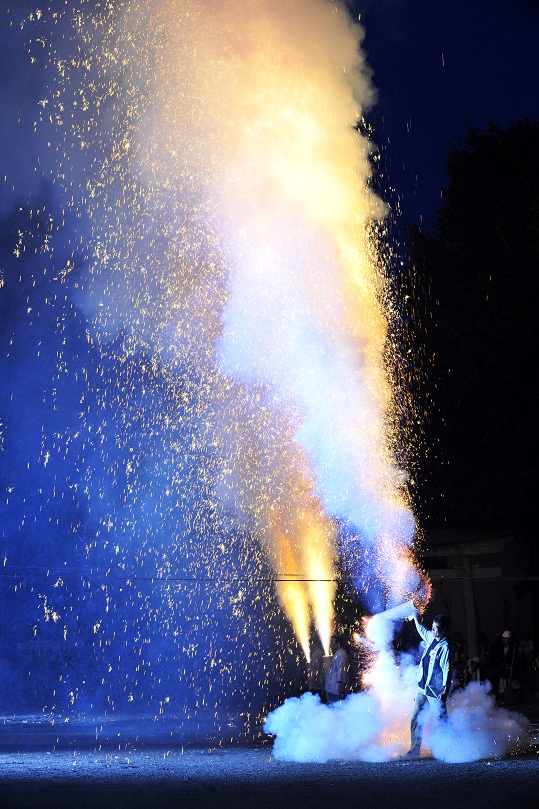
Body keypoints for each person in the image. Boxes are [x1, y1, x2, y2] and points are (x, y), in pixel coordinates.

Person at [402, 612, 452, 759]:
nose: (434, 631)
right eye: (433, 628)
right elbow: (422, 630)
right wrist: (415, 619)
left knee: (442, 718)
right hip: (422, 687)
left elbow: (447, 668)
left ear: (444, 630)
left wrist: (445, 689)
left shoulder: (446, 647)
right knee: (416, 717)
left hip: (435, 690)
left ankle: (455, 745)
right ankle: (415, 748)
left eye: (436, 629)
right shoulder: (431, 638)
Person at [325, 634, 349, 703]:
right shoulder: (337, 654)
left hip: (337, 691)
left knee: (336, 710)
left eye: (332, 642)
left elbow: (342, 673)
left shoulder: (341, 655)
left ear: (338, 644)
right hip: (332, 689)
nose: (330, 644)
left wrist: (341, 689)